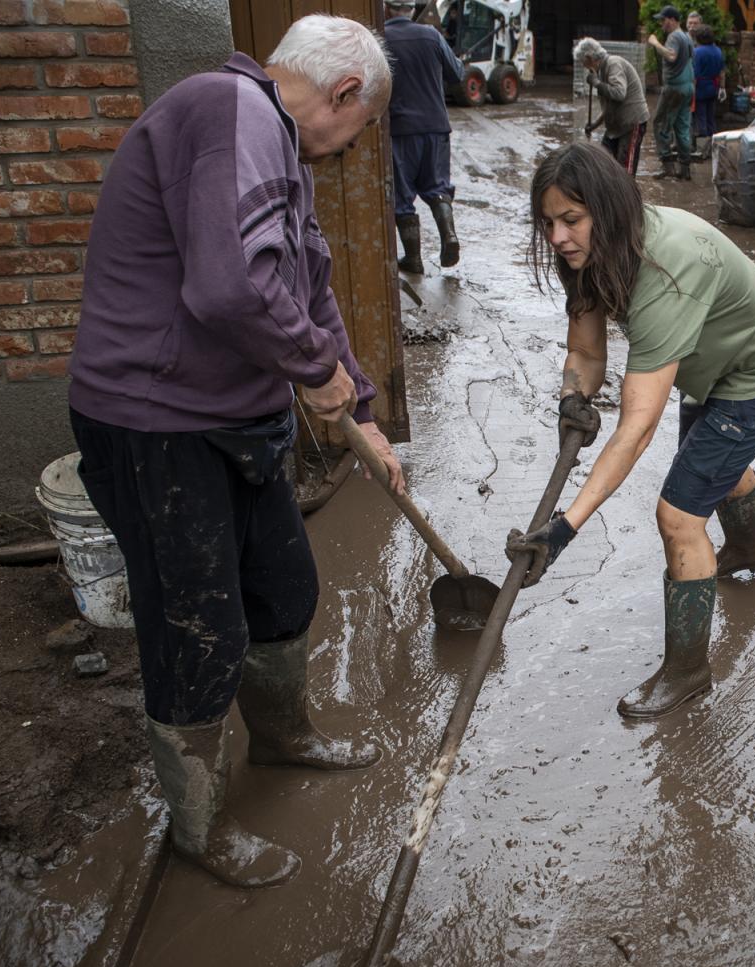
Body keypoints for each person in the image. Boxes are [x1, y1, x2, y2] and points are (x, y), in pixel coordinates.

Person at [67, 15, 406, 889]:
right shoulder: (230, 111)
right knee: (198, 628)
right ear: (342, 94)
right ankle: (200, 827)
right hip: (156, 423)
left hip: (237, 419)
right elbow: (228, 288)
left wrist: (358, 407)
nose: (347, 147)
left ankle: (285, 739)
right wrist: (312, 371)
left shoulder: (278, 153)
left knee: (283, 589)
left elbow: (309, 288)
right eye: (359, 129)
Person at [508, 143, 755, 719]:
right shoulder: (593, 256)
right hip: (706, 364)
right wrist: (573, 394)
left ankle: (688, 672)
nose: (559, 238)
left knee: (679, 515)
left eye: (572, 220)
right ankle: (748, 547)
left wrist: (564, 528)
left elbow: (636, 429)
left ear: (609, 212)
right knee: (713, 461)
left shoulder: (667, 270)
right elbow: (586, 351)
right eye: (548, 223)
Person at [384, 0, 465, 272]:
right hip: (436, 126)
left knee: (402, 195)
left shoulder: (380, 38)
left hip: (400, 129)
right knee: (438, 187)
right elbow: (457, 74)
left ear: (387, 9)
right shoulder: (431, 35)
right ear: (412, 10)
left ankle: (413, 258)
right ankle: (449, 235)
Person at [576, 37, 648, 176]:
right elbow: (609, 106)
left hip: (631, 123)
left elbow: (619, 93)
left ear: (589, 58)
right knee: (604, 162)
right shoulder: (601, 70)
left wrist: (596, 83)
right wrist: (594, 124)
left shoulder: (613, 64)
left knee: (625, 171)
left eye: (583, 62)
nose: (584, 66)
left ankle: (626, 196)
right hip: (616, 126)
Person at [647, 4, 695, 179]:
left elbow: (671, 56)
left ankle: (667, 166)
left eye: (664, 20)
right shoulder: (687, 37)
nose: (662, 24)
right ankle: (685, 169)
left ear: (673, 20)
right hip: (688, 87)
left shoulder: (674, 36)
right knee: (682, 127)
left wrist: (655, 43)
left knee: (660, 124)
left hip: (675, 88)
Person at [690, 24, 724, 160]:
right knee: (711, 116)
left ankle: (702, 149)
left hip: (700, 88)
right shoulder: (718, 51)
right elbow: (722, 71)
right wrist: (722, 87)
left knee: (701, 117)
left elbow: (694, 75)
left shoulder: (697, 52)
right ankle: (714, 146)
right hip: (713, 87)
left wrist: (691, 92)